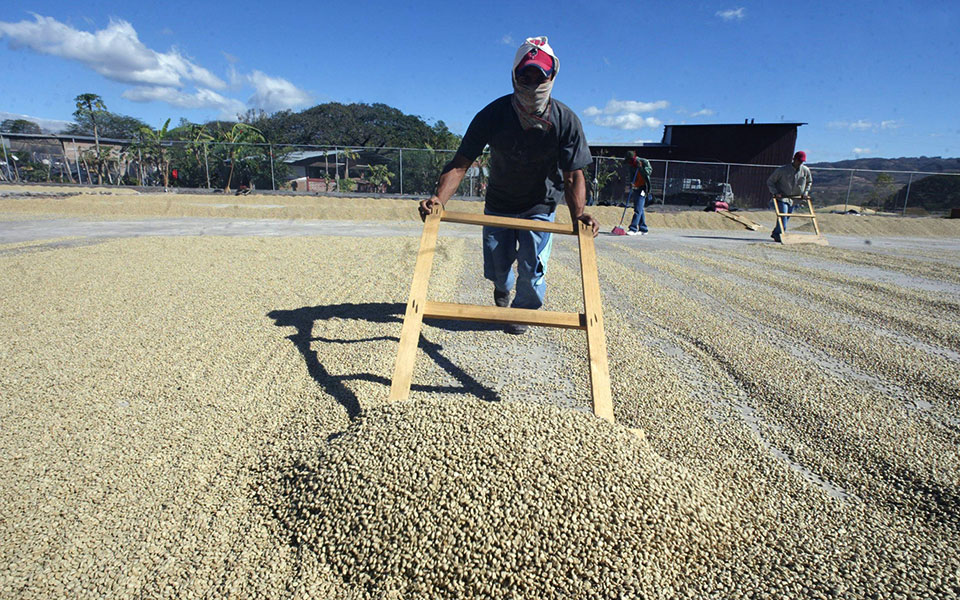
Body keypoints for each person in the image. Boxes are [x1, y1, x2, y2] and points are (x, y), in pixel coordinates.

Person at [418, 36, 598, 335]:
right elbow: (461, 163)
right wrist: (438, 199)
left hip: (541, 204)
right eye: (525, 75)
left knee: (533, 266)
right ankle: (503, 287)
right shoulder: (493, 114)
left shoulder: (565, 120)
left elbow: (573, 175)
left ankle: (523, 310)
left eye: (539, 75)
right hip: (499, 202)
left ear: (552, 76)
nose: (532, 82)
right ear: (514, 75)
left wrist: (579, 215)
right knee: (497, 266)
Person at [767, 150, 813, 241]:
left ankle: (776, 233)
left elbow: (809, 182)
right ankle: (781, 235)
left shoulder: (805, 170)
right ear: (794, 159)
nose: (800, 163)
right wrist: (775, 192)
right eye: (799, 161)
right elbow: (770, 181)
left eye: (802, 161)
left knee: (786, 217)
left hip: (795, 199)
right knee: (783, 216)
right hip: (783, 197)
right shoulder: (782, 170)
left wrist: (805, 192)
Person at [624, 151, 653, 235]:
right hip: (636, 188)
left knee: (638, 209)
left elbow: (648, 172)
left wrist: (640, 167)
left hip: (644, 189)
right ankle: (643, 229)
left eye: (629, 161)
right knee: (639, 209)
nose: (628, 163)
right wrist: (631, 183)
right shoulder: (631, 166)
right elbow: (631, 176)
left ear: (632, 159)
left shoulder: (644, 162)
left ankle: (633, 228)